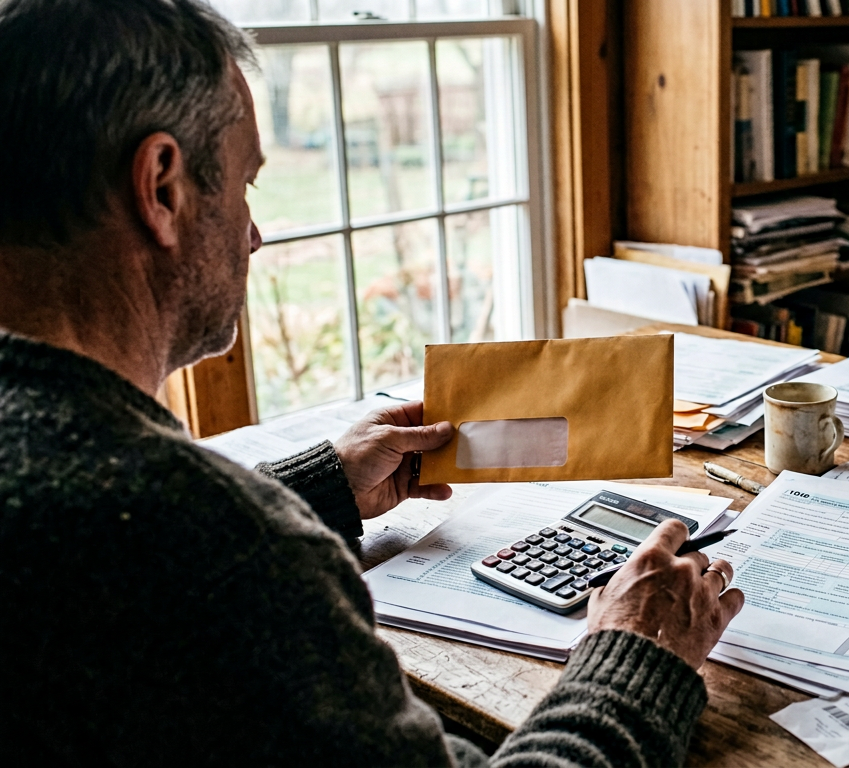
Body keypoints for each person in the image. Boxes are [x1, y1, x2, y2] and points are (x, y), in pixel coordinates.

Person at [0, 1, 746, 765]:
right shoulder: (211, 551)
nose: (254, 234)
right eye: (246, 183)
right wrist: (635, 657)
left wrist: (311, 493)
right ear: (161, 187)